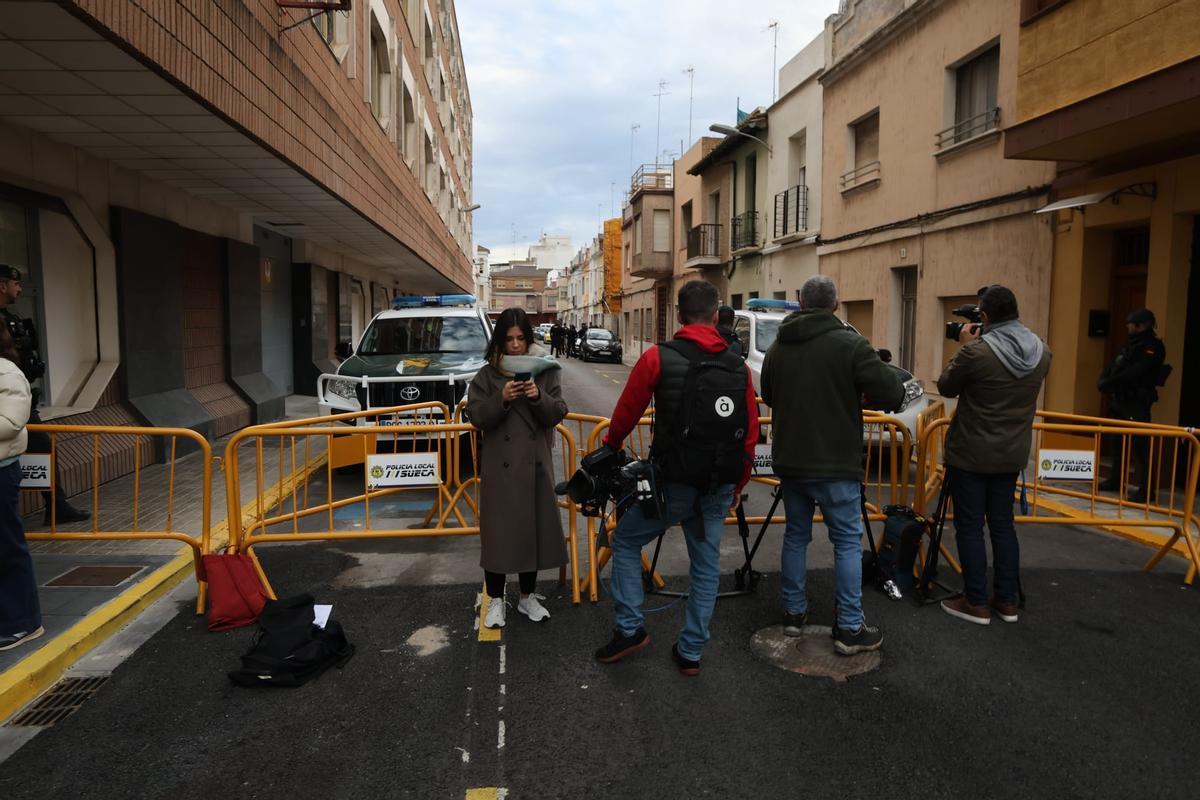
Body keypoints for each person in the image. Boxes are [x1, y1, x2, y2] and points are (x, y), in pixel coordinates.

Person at [593, 280, 758, 675]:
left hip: (674, 482)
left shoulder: (658, 358)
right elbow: (750, 433)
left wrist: (610, 445)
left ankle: (631, 628)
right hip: (719, 481)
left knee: (627, 541)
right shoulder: (738, 366)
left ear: (679, 317)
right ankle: (691, 652)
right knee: (705, 564)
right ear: (717, 316)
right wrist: (737, 485)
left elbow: (626, 413)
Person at [760, 275, 903, 655]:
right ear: (835, 306)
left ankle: (792, 614)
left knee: (795, 536)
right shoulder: (852, 345)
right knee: (846, 543)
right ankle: (850, 628)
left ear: (798, 301)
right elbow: (892, 392)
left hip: (792, 461)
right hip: (837, 463)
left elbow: (769, 394)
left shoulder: (778, 347)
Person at [937, 285, 1050, 625]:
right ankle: (1006, 601)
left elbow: (946, 386)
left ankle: (975, 601)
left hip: (971, 452)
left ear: (984, 317)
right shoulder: (1042, 351)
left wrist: (966, 347)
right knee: (1003, 527)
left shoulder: (978, 353)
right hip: (1011, 454)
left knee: (970, 527)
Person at [465, 307, 569, 628]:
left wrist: (537, 397)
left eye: (521, 338)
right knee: (498, 535)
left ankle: (527, 597)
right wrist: (502, 397)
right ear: (499, 341)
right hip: (500, 468)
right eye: (508, 339)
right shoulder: (487, 375)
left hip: (534, 466)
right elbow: (476, 416)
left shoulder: (546, 371)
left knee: (531, 532)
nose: (515, 345)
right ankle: (496, 599)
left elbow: (558, 412)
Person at [0, 265, 88, 524]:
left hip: (19, 399)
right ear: (3, 285)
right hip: (8, 404)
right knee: (39, 449)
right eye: (16, 284)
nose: (20, 289)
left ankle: (56, 506)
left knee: (43, 449)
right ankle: (55, 507)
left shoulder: (11, 316)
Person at [0, 325, 42, 651]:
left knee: (8, 547)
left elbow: (11, 423)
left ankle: (24, 622)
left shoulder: (8, 373)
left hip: (2, 472)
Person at [1098, 308, 1166, 503]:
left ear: (1142, 325)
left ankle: (1146, 490)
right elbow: (1114, 365)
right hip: (1120, 400)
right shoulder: (1130, 345)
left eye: (1131, 323)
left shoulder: (1153, 347)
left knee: (1140, 447)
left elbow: (1136, 372)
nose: (1128, 326)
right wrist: (1103, 380)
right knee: (1117, 442)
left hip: (1137, 402)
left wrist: (1110, 383)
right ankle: (1115, 480)